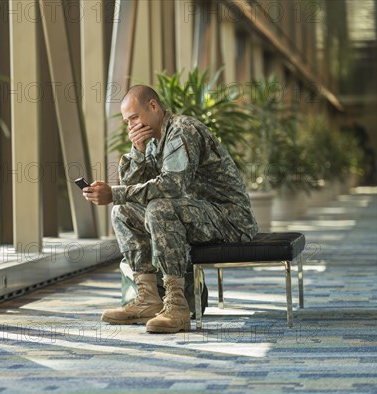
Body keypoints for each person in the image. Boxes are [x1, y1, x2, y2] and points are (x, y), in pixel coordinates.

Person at [82, 85, 258, 333]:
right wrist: (139, 151)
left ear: (153, 106)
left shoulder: (182, 130)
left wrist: (114, 193)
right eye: (127, 122)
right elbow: (133, 190)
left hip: (229, 219)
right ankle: (148, 299)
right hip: (195, 215)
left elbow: (172, 186)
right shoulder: (151, 142)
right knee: (122, 212)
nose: (131, 126)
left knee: (160, 208)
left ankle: (177, 306)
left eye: (134, 117)